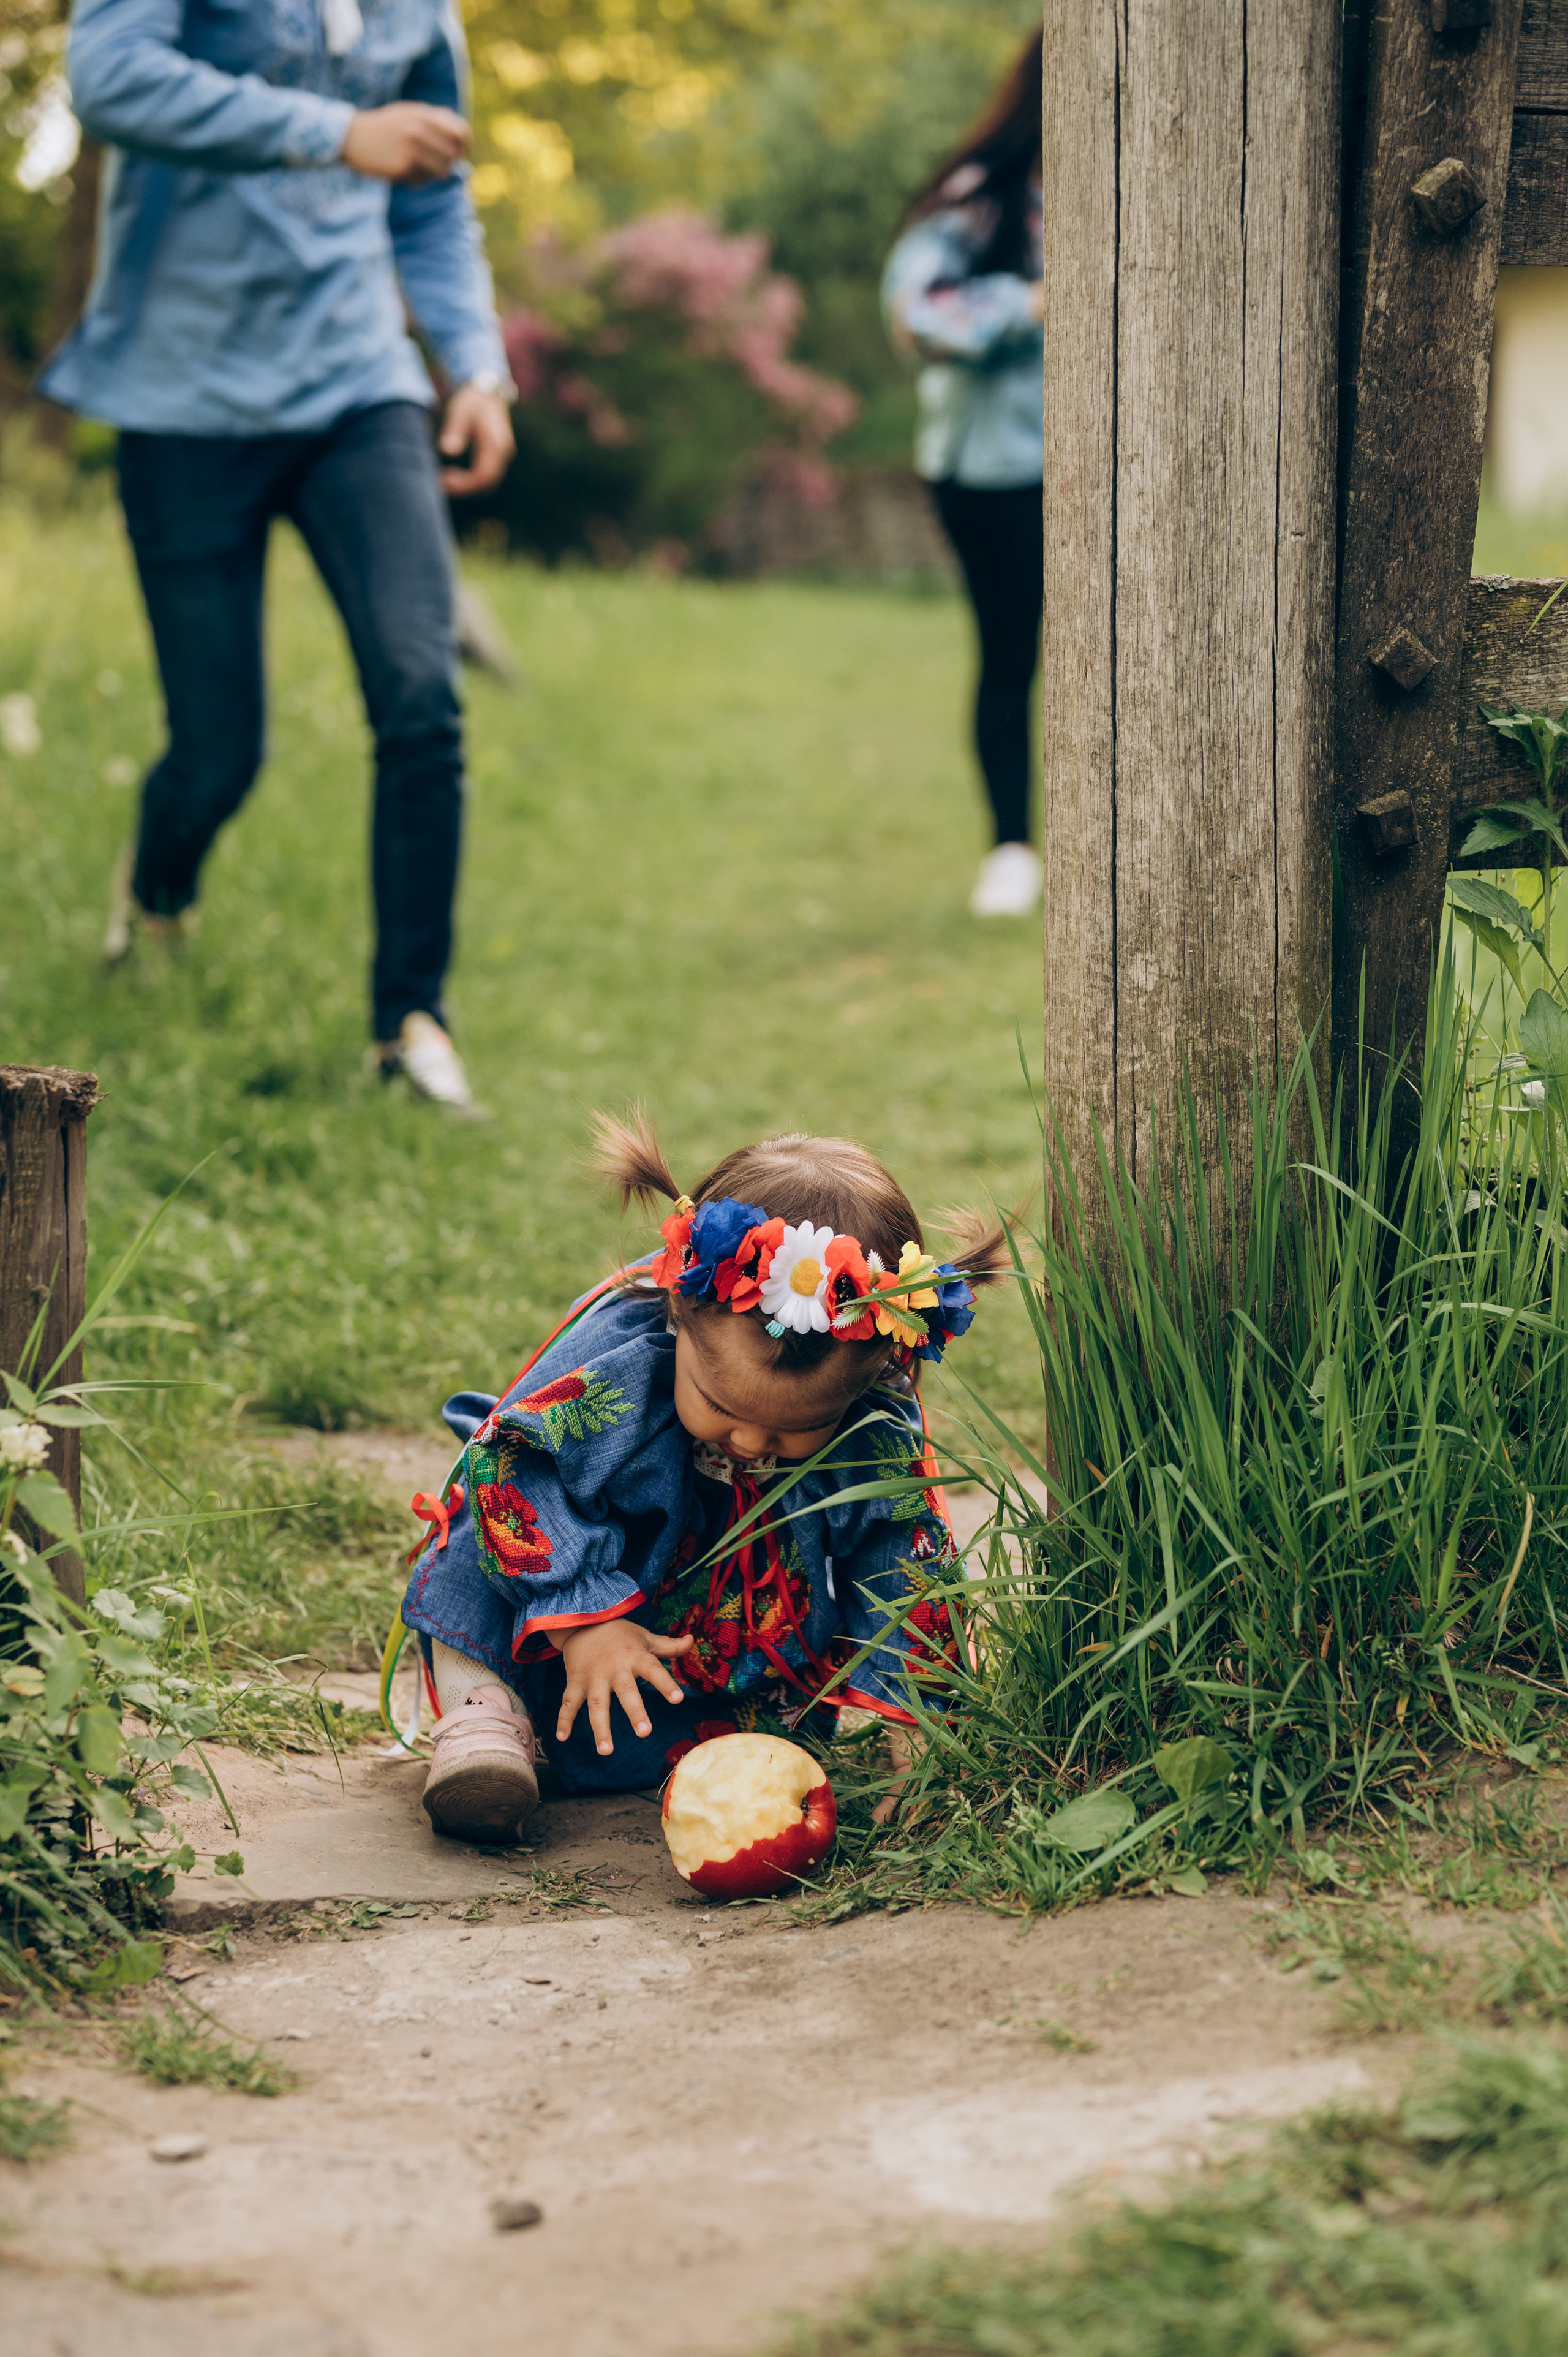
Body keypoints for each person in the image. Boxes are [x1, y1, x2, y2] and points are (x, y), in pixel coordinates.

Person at [42, 0, 518, 1113]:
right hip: (181, 396)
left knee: (421, 695)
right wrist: (335, 132)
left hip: (360, 389)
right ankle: (159, 890)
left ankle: (411, 1024)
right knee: (218, 751)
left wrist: (478, 368)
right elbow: (110, 79)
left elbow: (434, 199)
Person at [399, 1112, 1008, 1843]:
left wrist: (917, 1729)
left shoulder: (870, 1423)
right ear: (679, 1315)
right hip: (561, 1609)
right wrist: (586, 1620)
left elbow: (901, 1561)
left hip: (687, 1660)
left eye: (793, 1430)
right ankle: (486, 1715)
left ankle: (702, 1753)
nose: (751, 1440)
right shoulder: (622, 1361)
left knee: (724, 1726)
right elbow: (514, 1468)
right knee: (480, 1515)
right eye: (720, 1406)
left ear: (871, 1378)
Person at [882, 31, 1044, 921]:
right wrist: (1031, 304)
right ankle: (1012, 847)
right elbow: (915, 315)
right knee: (1010, 651)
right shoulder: (981, 199)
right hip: (996, 471)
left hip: (1114, 470)